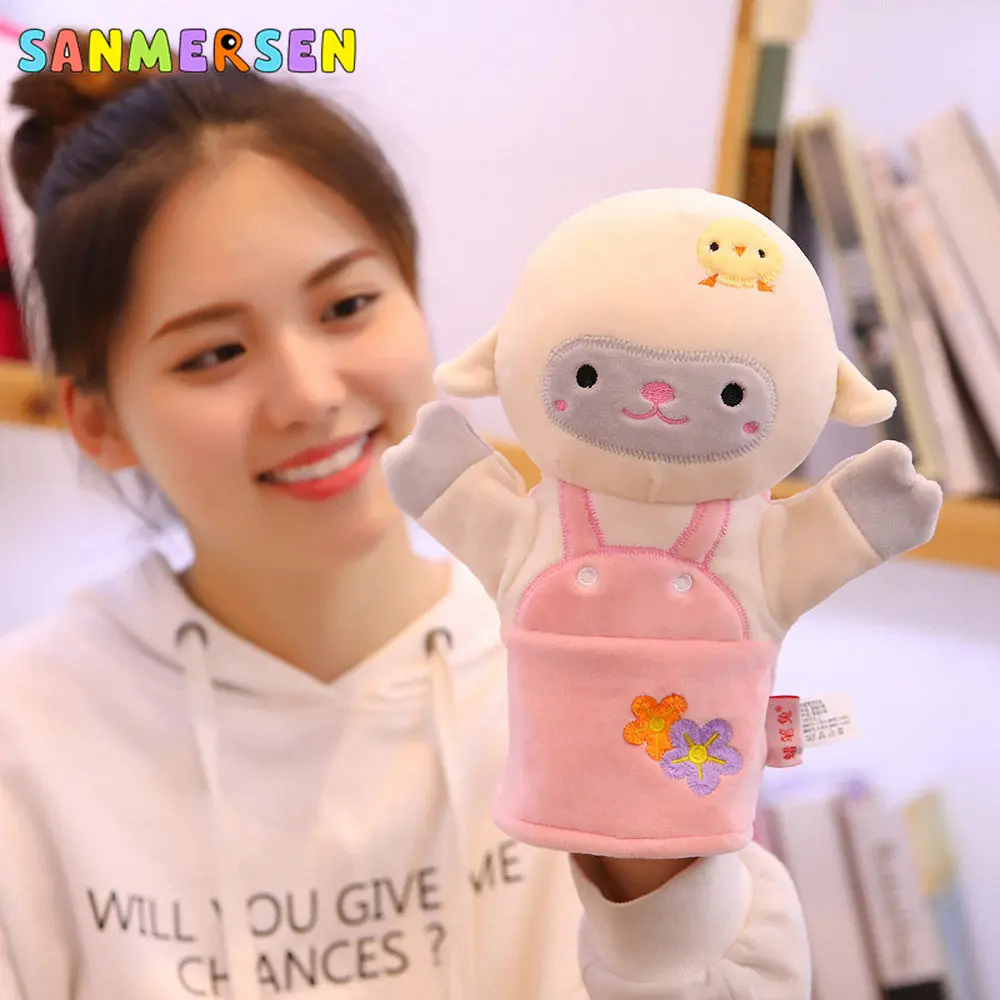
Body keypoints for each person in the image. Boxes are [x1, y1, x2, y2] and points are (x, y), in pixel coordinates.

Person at [0, 58, 809, 1000]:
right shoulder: (31, 738)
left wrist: (654, 883)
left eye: (347, 306)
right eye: (215, 352)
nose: (310, 394)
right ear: (96, 419)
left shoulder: (589, 657)